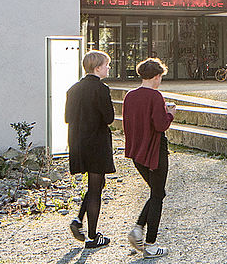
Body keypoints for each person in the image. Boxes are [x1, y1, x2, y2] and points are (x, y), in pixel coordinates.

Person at [122, 57, 175, 258]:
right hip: (155, 150)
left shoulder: (130, 96)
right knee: (158, 195)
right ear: (157, 76)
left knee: (156, 192)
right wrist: (170, 114)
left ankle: (138, 229)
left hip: (137, 151)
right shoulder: (155, 96)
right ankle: (150, 244)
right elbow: (161, 125)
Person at [65, 49, 116, 249]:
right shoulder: (101, 89)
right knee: (95, 189)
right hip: (96, 142)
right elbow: (109, 118)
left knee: (97, 185)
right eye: (106, 65)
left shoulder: (73, 89)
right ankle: (92, 237)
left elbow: (67, 117)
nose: (108, 68)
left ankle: (79, 220)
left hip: (77, 142)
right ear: (97, 68)